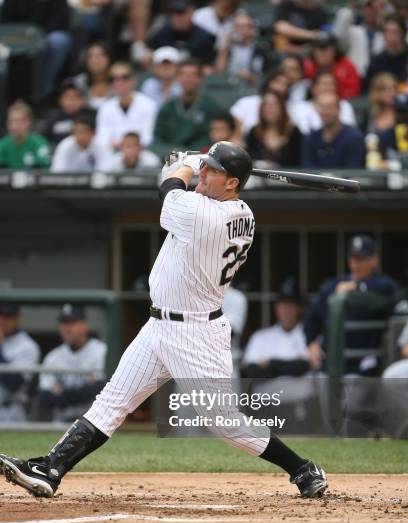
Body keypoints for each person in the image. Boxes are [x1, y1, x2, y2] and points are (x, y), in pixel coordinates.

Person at [0, 141, 327, 500]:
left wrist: (182, 166)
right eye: (204, 166)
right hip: (159, 327)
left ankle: (302, 468)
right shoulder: (237, 211)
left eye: (213, 170)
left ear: (232, 183)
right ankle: (51, 468)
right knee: (113, 401)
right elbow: (180, 189)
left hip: (196, 334)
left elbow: (169, 190)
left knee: (225, 423)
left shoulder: (208, 215)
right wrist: (190, 167)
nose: (204, 173)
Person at [305, 234, 398, 376]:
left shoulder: (382, 285)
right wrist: (311, 343)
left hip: (363, 361)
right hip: (331, 362)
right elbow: (311, 317)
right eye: (353, 258)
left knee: (349, 396)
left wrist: (357, 288)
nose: (356, 263)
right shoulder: (333, 285)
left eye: (361, 258)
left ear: (374, 260)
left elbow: (390, 291)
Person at [242, 278, 312, 408]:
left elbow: (306, 366)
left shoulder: (309, 336)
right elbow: (252, 372)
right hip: (265, 409)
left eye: (290, 304)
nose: (286, 309)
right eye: (282, 304)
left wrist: (270, 364)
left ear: (299, 308)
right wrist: (291, 366)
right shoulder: (260, 337)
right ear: (276, 307)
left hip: (301, 409)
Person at [31, 304, 107, 422]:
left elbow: (100, 388)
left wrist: (62, 393)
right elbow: (45, 397)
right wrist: (82, 391)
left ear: (84, 325)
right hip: (60, 423)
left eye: (72, 322)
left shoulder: (101, 351)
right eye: (64, 323)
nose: (67, 328)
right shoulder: (52, 357)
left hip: (94, 423)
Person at [1, 0, 72, 97]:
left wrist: (38, 37)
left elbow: (61, 20)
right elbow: (5, 21)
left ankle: (42, 89)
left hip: (45, 36)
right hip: (16, 38)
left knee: (58, 40)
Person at [152, 59, 221, 157]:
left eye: (192, 75)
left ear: (201, 79)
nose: (188, 79)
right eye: (183, 75)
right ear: (177, 78)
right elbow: (158, 138)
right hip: (169, 157)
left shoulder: (211, 107)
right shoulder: (168, 107)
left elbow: (211, 137)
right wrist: (171, 151)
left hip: (200, 159)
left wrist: (187, 153)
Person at [96, 62, 158, 149]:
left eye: (124, 77)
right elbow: (102, 139)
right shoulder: (105, 108)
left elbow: (147, 138)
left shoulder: (148, 105)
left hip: (141, 153)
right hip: (112, 154)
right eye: (114, 78)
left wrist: (128, 146)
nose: (119, 82)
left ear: (133, 80)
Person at [302, 92, 366, 169]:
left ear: (339, 108)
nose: (325, 112)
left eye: (329, 107)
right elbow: (308, 170)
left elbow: (353, 171)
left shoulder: (354, 138)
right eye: (321, 107)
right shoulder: (312, 138)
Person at [0, 304, 40, 422]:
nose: (2, 320)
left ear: (17, 319)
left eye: (8, 316)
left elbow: (14, 383)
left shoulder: (28, 346)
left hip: (9, 413)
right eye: (0, 315)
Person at [147, 0, 216, 66]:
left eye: (181, 13)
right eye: (173, 13)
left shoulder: (205, 38)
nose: (176, 17)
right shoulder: (161, 34)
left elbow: (210, 66)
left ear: (191, 13)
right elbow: (151, 55)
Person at [288, 71, 357, 135]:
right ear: (313, 88)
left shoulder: (344, 106)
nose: (328, 88)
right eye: (324, 84)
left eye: (331, 84)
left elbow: (349, 132)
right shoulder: (299, 108)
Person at [246, 91, 302, 167]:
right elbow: (249, 160)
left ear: (282, 108)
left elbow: (300, 163)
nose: (269, 108)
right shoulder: (254, 132)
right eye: (265, 105)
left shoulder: (294, 132)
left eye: (274, 105)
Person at [230, 68, 290, 137]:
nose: (280, 86)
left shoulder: (289, 108)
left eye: (286, 84)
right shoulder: (246, 102)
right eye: (277, 81)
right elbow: (236, 134)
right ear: (269, 81)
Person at [333, 0, 385, 77]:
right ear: (363, 11)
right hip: (356, 75)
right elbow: (338, 34)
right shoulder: (353, 31)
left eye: (374, 9)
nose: (371, 12)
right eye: (368, 9)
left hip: (378, 77)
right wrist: (351, 6)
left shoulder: (385, 33)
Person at [215, 12, 264, 83]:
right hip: (226, 84)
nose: (238, 30)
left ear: (252, 29)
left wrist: (250, 77)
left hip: (249, 86)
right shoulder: (227, 49)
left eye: (242, 27)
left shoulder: (260, 49)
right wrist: (225, 47)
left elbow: (262, 76)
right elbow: (219, 72)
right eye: (236, 26)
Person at [0, 100, 51, 169]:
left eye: (20, 121)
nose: (16, 126)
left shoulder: (39, 143)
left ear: (29, 122)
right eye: (12, 121)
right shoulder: (2, 145)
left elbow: (46, 171)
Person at [365, 15, 408, 89]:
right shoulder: (377, 61)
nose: (390, 37)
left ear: (403, 34)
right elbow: (368, 89)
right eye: (386, 32)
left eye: (394, 32)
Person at [41, 79, 88, 147]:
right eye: (67, 97)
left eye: (75, 97)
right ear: (60, 100)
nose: (71, 101)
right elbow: (43, 140)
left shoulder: (89, 118)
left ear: (83, 100)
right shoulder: (53, 119)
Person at [363, 72, 398, 158]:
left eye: (394, 88)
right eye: (387, 89)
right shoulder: (369, 116)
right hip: (374, 162)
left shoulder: (402, 115)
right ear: (377, 91)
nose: (392, 93)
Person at [73, 41, 112, 110]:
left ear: (109, 58)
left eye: (100, 56)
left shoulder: (119, 80)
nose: (95, 60)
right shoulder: (78, 82)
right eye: (90, 57)